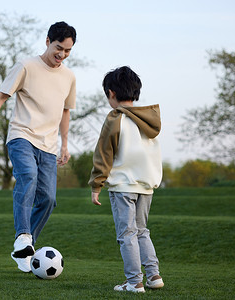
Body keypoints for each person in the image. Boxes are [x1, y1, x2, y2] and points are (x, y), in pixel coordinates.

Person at [0, 21, 77, 273]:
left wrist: (65, 144)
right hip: (21, 136)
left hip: (49, 146)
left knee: (49, 199)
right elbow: (0, 97)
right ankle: (23, 236)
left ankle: (25, 247)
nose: (62, 55)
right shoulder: (26, 66)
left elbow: (66, 111)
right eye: (58, 48)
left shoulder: (69, 77)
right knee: (27, 176)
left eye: (67, 51)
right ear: (47, 41)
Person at [88, 66, 164, 293]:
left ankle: (134, 282)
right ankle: (154, 276)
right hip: (146, 186)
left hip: (123, 185)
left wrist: (96, 185)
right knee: (141, 231)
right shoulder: (148, 119)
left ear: (111, 93)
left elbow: (104, 153)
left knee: (127, 234)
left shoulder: (114, 118)